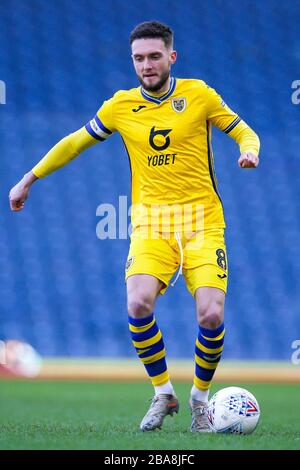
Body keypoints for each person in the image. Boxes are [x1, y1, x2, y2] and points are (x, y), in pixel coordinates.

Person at [9, 20, 260, 432]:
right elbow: (75, 141)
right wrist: (28, 178)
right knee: (138, 303)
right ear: (133, 61)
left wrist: (249, 151)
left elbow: (242, 130)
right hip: (152, 225)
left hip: (202, 222)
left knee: (211, 314)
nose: (146, 64)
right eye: (139, 58)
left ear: (171, 57)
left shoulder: (199, 95)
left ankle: (199, 400)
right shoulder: (121, 106)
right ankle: (163, 394)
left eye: (154, 56)